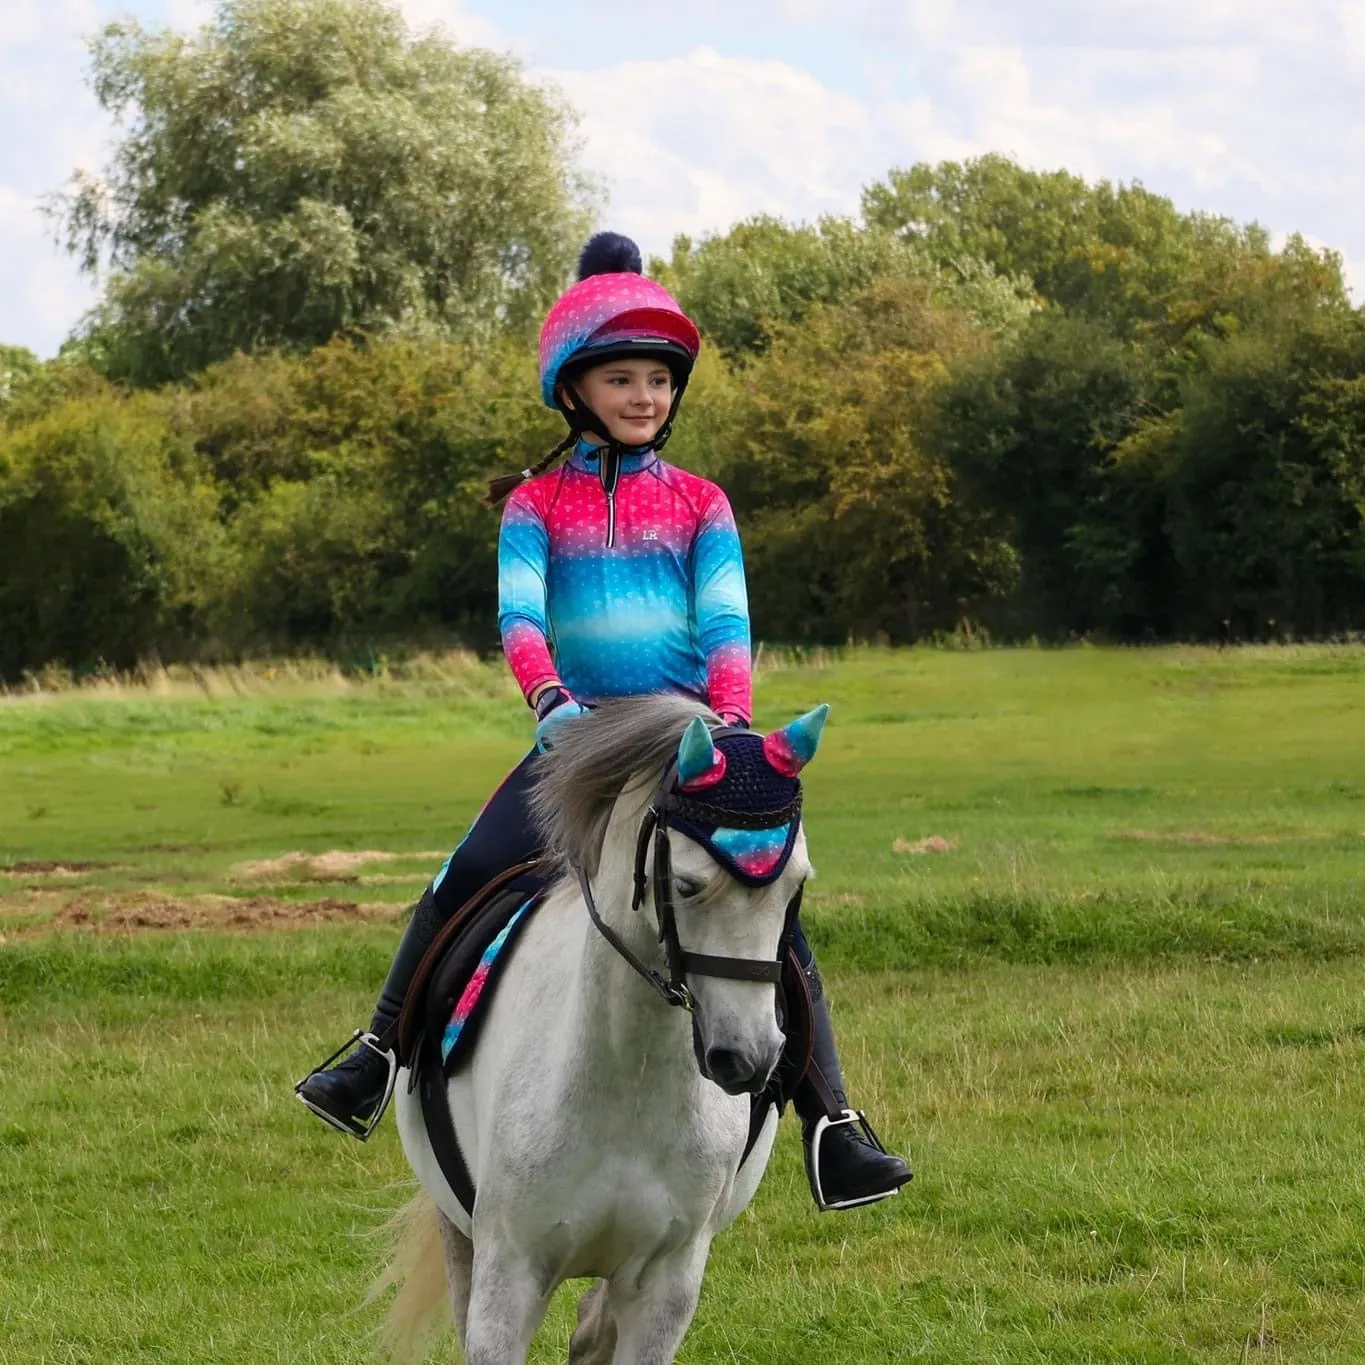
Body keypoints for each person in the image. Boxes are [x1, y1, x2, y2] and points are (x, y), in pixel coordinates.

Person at [297, 233, 911, 1209]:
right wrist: (550, 706)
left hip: (691, 747)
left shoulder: (702, 505)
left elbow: (724, 624)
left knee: (768, 899)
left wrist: (733, 730)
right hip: (578, 744)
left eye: (660, 380)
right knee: (465, 871)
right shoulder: (535, 506)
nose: (645, 396)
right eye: (622, 378)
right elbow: (520, 618)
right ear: (575, 391)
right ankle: (372, 1055)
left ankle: (832, 1121)